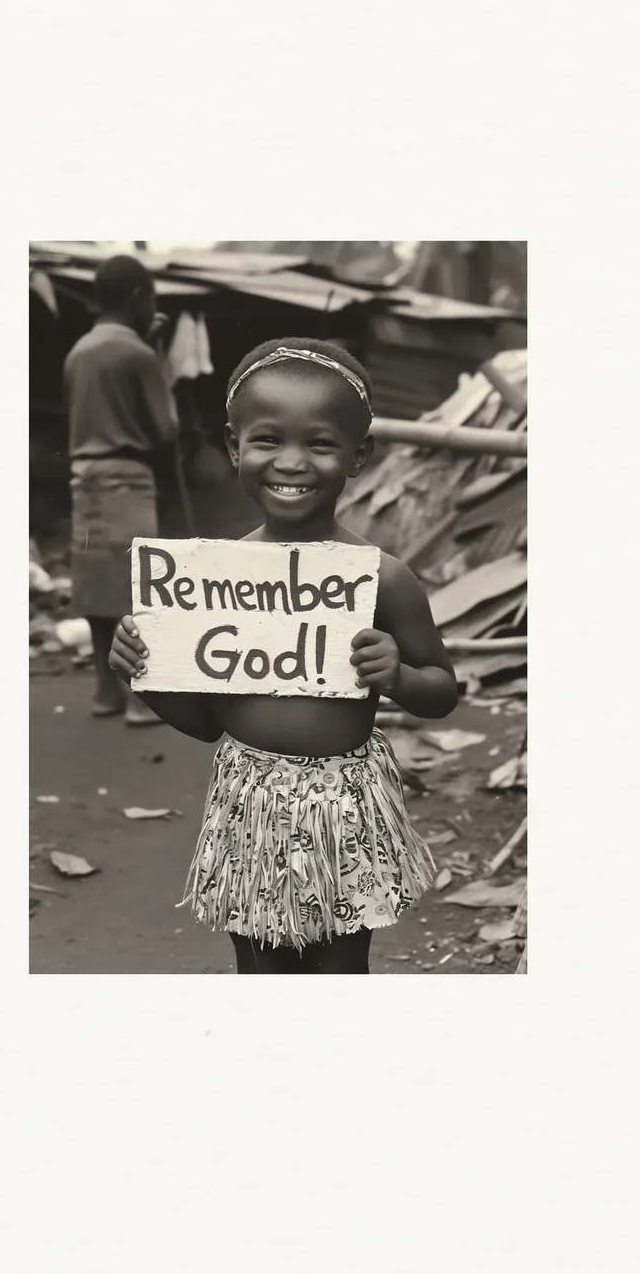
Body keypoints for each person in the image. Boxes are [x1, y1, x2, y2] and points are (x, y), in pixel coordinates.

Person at [107, 338, 459, 973]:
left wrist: (400, 676)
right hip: (250, 800)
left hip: (344, 804)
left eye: (320, 444)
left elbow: (443, 690)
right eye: (268, 440)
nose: (292, 462)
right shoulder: (209, 584)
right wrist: (146, 676)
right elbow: (208, 722)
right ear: (235, 446)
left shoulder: (383, 579)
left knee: (340, 970)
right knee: (262, 969)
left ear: (359, 456)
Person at [64, 255, 177, 725]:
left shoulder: (79, 351)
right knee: (139, 586)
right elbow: (165, 429)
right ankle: (139, 699)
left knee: (96, 588)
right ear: (137, 298)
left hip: (84, 485)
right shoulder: (137, 353)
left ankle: (105, 693)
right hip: (128, 481)